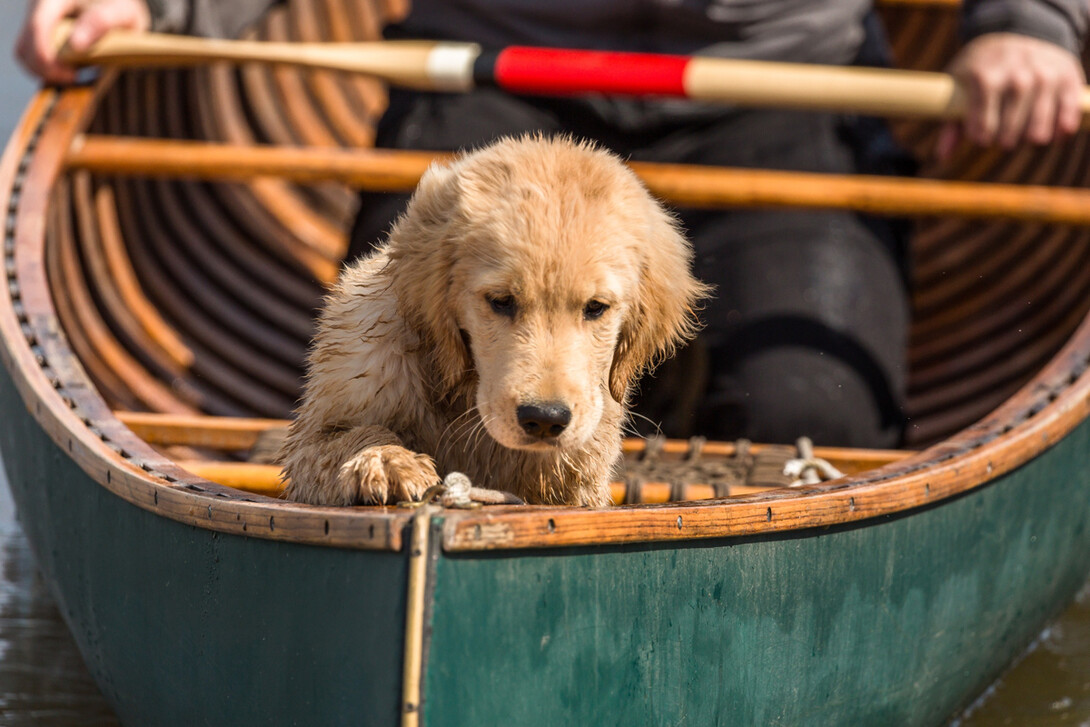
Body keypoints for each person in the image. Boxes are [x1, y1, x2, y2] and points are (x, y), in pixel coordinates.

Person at [16, 0, 1089, 449]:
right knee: (412, 417)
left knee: (815, 417)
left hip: (790, 86)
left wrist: (1030, 28)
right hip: (496, 65)